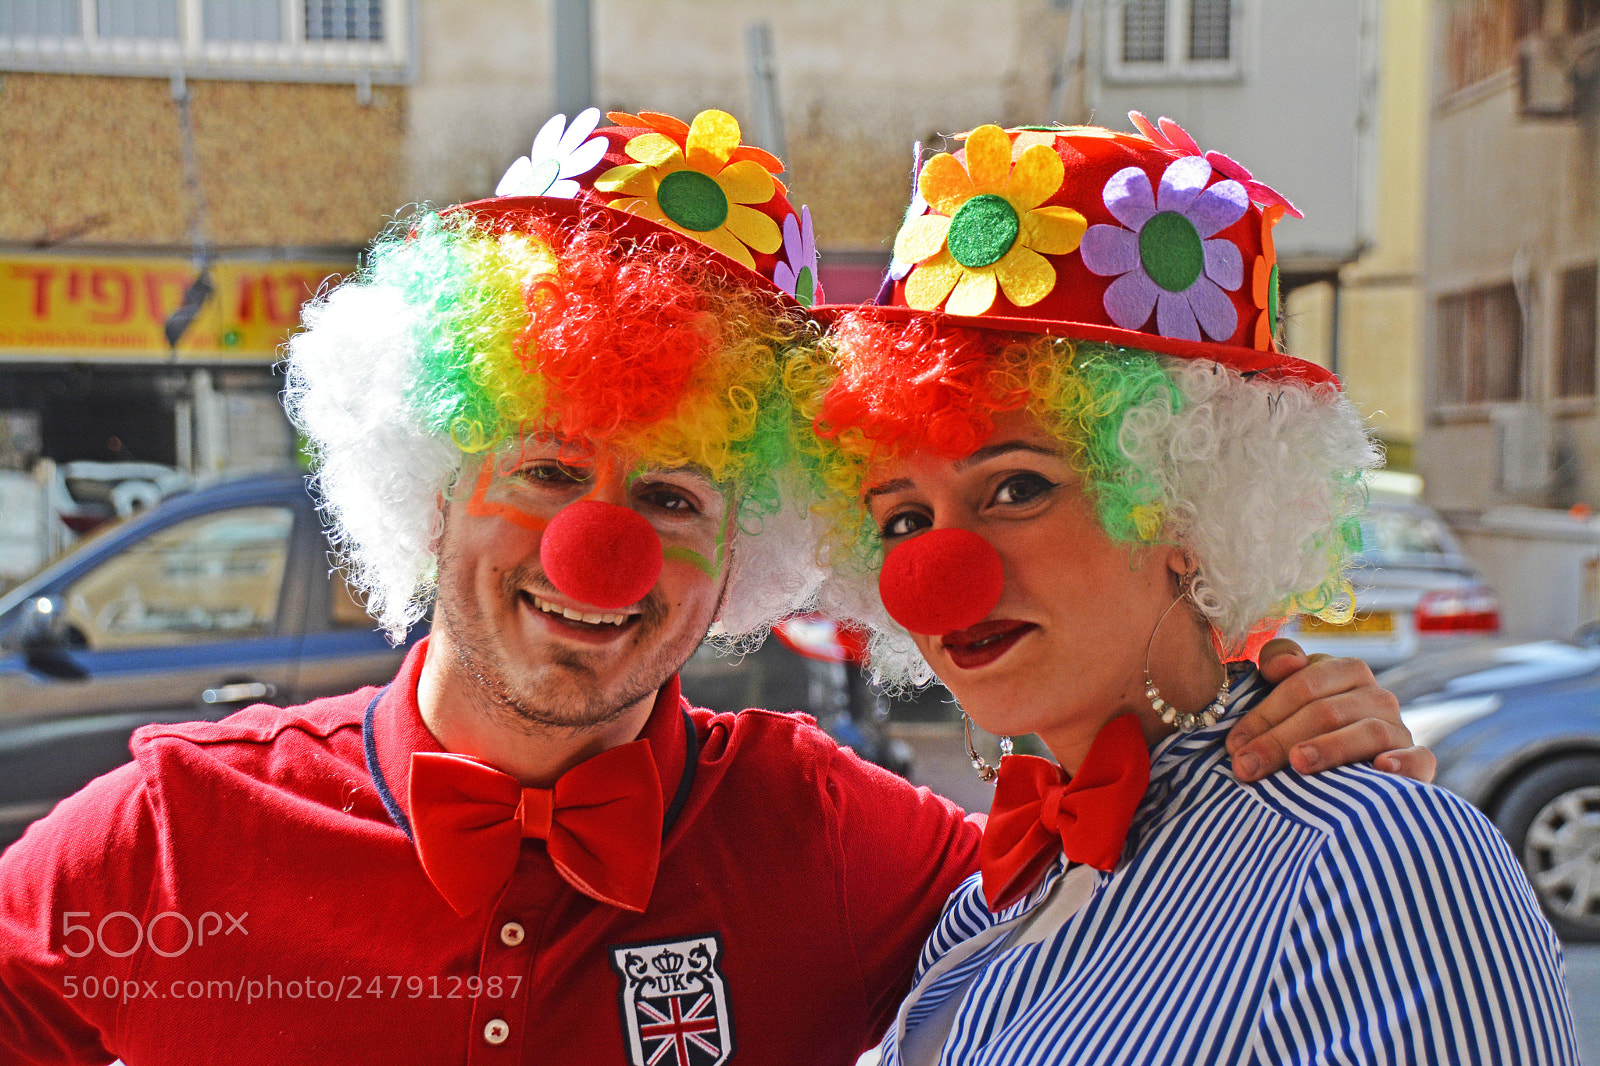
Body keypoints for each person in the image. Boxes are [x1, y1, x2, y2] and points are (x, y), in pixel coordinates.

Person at [0, 108, 1426, 1066]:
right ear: (431, 484)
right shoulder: (171, 841)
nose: (597, 556)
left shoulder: (830, 837)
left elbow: (1101, 874)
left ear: (749, 548)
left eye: (675, 498)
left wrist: (1298, 708)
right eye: (548, 472)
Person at [789, 115, 1579, 1063]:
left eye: (1017, 488)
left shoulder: (1375, 860)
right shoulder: (996, 890)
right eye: (903, 520)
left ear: (1191, 510)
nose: (939, 577)